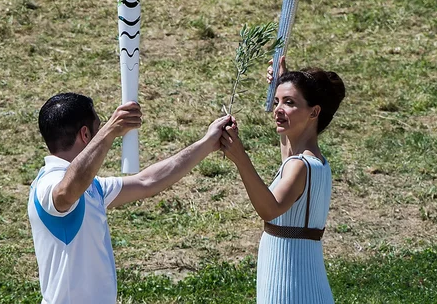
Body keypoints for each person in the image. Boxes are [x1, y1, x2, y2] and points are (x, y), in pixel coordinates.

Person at [27, 92, 230, 304]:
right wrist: (109, 133)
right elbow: (65, 193)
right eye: (99, 127)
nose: (102, 132)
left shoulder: (91, 187)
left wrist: (208, 143)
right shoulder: (47, 185)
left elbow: (147, 181)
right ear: (86, 135)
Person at [220, 56, 345, 304]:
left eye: (289, 102)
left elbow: (269, 209)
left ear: (314, 112)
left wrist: (241, 159)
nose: (278, 109)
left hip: (290, 285)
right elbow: (288, 153)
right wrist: (282, 80)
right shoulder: (313, 162)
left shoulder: (300, 166)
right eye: (276, 101)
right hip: (298, 279)